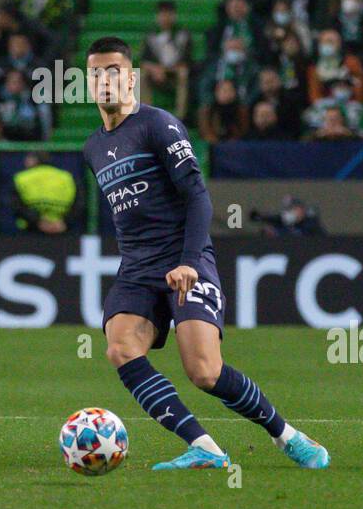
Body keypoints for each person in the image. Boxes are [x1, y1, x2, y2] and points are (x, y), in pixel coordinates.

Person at [82, 36, 329, 471]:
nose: (106, 80)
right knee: (120, 348)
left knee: (204, 371)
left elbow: (198, 196)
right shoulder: (93, 147)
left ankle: (286, 435)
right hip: (136, 269)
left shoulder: (159, 125)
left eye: (115, 71)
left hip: (184, 262)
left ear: (132, 78)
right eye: (97, 73)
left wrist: (190, 262)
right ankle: (205, 447)